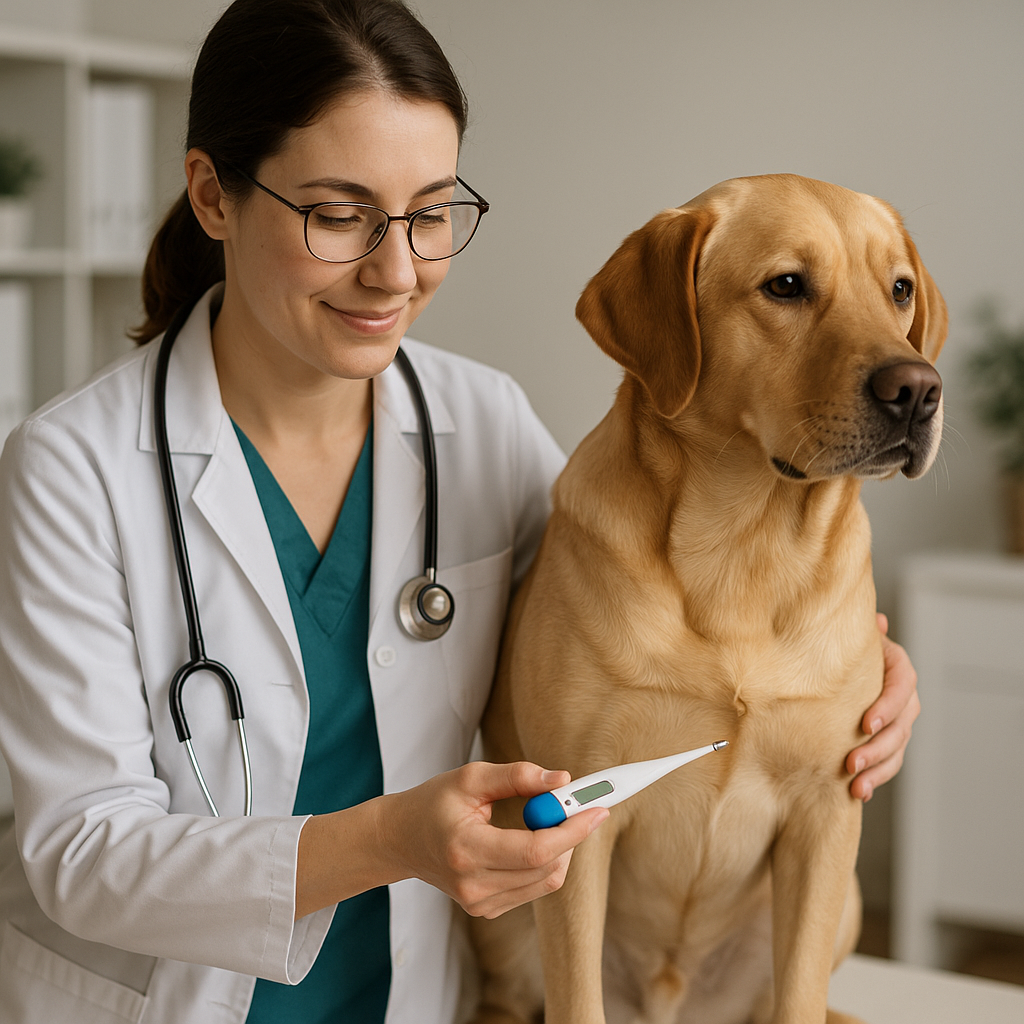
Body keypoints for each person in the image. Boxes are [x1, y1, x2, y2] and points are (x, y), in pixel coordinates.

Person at [0, 1, 920, 1021]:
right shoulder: (71, 467)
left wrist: (864, 679)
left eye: (431, 212)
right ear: (213, 195)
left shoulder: (479, 424)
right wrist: (393, 838)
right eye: (338, 214)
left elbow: (627, 601)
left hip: (420, 995)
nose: (396, 270)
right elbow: (79, 854)